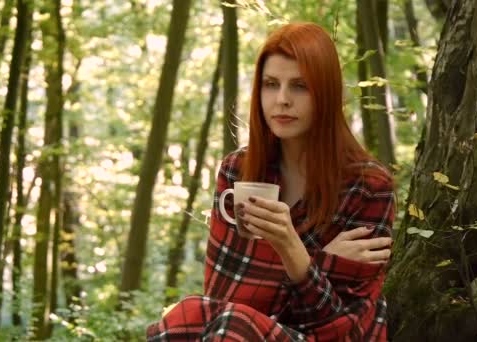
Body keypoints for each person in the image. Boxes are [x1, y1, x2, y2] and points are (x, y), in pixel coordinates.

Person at [147, 22, 395, 341]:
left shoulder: (370, 188)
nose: (281, 99)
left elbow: (342, 326)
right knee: (195, 319)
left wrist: (292, 249)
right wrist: (320, 264)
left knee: (230, 323)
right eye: (270, 84)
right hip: (237, 333)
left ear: (326, 93)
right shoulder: (237, 171)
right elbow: (222, 299)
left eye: (299, 86)